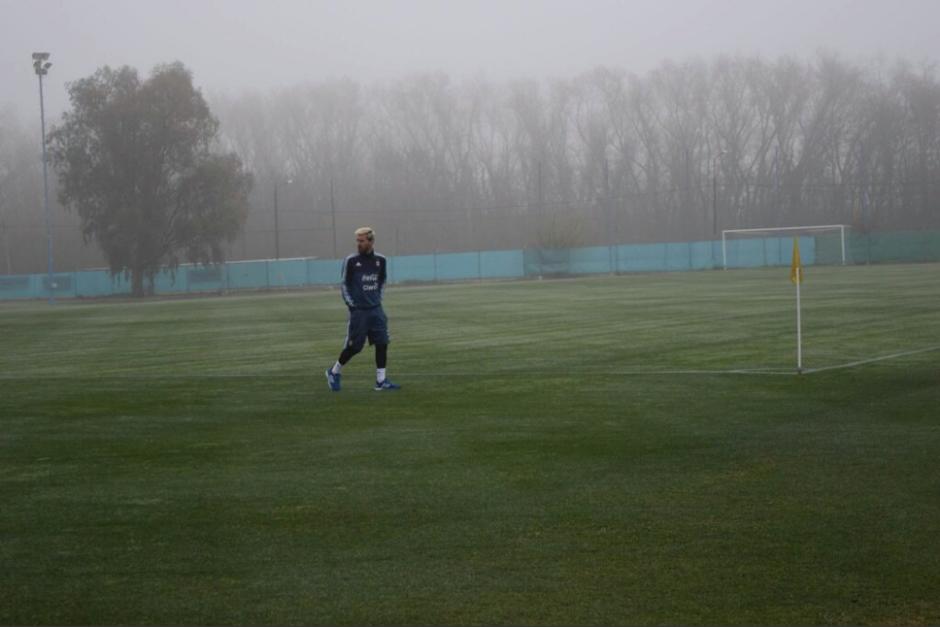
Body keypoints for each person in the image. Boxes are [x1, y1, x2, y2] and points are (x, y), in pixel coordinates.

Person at [326, 227, 401, 392]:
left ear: (371, 241)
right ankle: (333, 371)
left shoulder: (381, 260)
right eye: (357, 241)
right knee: (354, 347)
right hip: (359, 311)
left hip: (376, 310)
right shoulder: (351, 261)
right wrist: (351, 305)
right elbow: (344, 284)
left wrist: (378, 298)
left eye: (362, 241)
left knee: (382, 342)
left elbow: (382, 280)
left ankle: (381, 381)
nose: (358, 244)